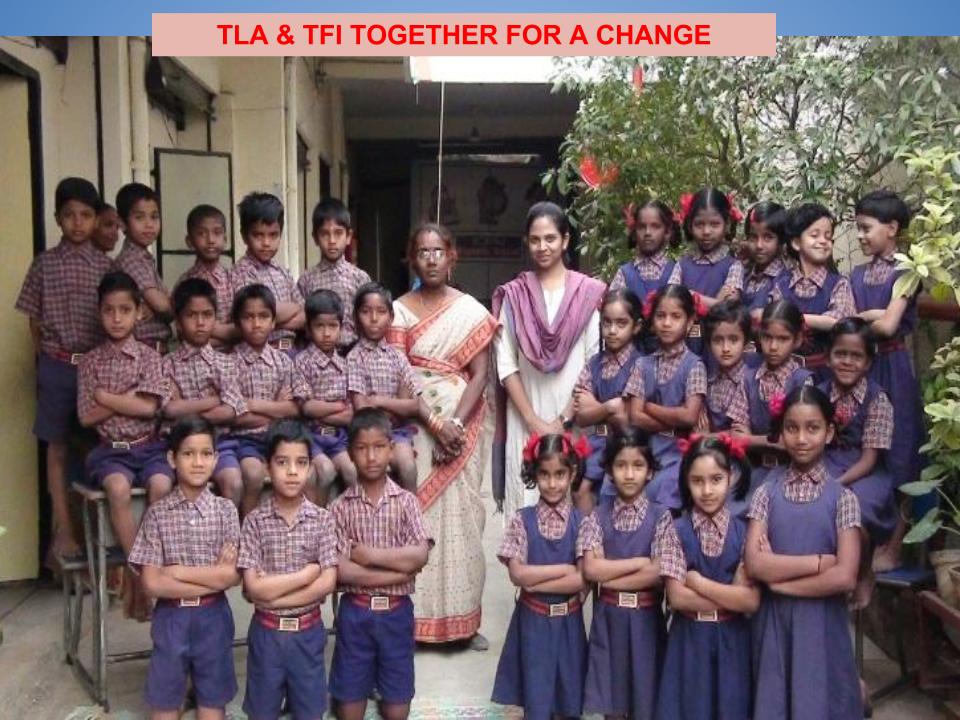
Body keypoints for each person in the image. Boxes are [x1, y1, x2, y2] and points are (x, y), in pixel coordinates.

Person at [389, 223, 498, 647]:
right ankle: (412, 624)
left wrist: (454, 423)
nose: (431, 258)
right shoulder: (397, 310)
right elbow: (401, 376)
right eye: (422, 251)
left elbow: (480, 374)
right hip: (416, 424)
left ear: (452, 258)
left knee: (465, 522)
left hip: (464, 424)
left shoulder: (470, 310)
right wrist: (435, 424)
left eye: (439, 251)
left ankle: (464, 624)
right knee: (419, 522)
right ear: (412, 259)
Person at [745, 385, 863, 719]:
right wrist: (817, 563)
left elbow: (844, 576)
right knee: (775, 701)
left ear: (829, 432)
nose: (801, 438)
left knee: (820, 702)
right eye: (792, 428)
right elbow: (754, 564)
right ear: (781, 433)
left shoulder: (843, 499)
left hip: (822, 627)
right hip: (774, 625)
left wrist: (781, 582)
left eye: (812, 428)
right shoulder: (766, 492)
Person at [15, 176, 113, 561]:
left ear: (95, 220)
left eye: (86, 215)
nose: (77, 223)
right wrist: (46, 362)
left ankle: (101, 543)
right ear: (57, 218)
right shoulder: (44, 265)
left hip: (96, 368)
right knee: (56, 450)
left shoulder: (106, 267)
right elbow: (34, 322)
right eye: (69, 215)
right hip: (57, 366)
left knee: (98, 447)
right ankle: (65, 534)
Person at [492, 201, 605, 517]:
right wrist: (534, 422)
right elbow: (506, 364)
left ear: (566, 240)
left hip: (573, 417)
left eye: (551, 238)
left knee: (573, 510)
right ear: (527, 242)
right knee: (526, 510)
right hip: (525, 417)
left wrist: (562, 420)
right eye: (535, 239)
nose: (543, 247)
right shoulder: (515, 296)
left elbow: (593, 362)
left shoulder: (587, 294)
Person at [128, 416, 241, 720]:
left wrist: (175, 572)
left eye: (206, 454)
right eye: (188, 454)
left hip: (213, 617)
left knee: (212, 701)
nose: (198, 462)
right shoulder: (158, 514)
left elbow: (231, 576)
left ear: (216, 459)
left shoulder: (225, 510)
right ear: (172, 459)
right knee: (165, 704)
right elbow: (152, 584)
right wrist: (212, 578)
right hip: (171, 619)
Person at [78, 270, 173, 619]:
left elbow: (150, 408)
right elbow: (86, 417)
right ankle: (140, 572)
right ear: (99, 312)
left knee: (161, 484)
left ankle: (142, 571)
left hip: (148, 446)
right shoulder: (90, 361)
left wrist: (106, 397)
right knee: (117, 489)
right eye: (108, 310)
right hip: (110, 450)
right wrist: (126, 398)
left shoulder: (150, 357)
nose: (116, 318)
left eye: (124, 310)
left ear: (139, 313)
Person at [328, 408, 432, 720]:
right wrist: (400, 572)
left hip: (396, 616)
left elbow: (419, 556)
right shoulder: (339, 509)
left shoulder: (407, 502)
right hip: (355, 614)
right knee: (349, 703)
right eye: (361, 448)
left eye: (378, 447)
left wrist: (369, 556)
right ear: (350, 453)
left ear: (391, 449)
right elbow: (340, 571)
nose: (371, 456)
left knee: (397, 705)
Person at [238, 419, 339, 720]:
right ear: (268, 468)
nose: (292, 471)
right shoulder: (254, 522)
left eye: (301, 463)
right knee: (263, 710)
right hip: (267, 634)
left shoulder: (323, 520)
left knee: (309, 711)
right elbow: (253, 588)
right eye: (282, 462)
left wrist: (272, 596)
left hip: (308, 632)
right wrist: (306, 575)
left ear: (310, 469)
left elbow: (328, 582)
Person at [656, 434, 759, 720]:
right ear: (687, 483)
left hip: (732, 642)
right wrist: (731, 594)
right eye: (697, 481)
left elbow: (750, 601)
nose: (707, 490)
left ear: (731, 477)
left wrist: (697, 582)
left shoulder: (746, 532)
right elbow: (677, 597)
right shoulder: (675, 530)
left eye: (716, 479)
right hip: (688, 642)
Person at [578, 429, 678, 720]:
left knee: (645, 701)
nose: (630, 474)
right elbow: (591, 569)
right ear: (609, 470)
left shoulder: (662, 516)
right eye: (621, 465)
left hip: (646, 621)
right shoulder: (597, 514)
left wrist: (606, 576)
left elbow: (659, 572)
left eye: (638, 466)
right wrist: (639, 562)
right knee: (612, 703)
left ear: (650, 472)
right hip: (608, 622)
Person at [852, 190, 925, 572]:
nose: (861, 236)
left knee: (902, 454)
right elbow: (850, 321)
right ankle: (867, 543)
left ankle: (894, 547)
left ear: (892, 228)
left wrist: (873, 317)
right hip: (860, 370)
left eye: (866, 228)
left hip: (893, 371)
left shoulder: (908, 271)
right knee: (864, 451)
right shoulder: (856, 274)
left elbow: (889, 325)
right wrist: (874, 315)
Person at [492, 433, 589, 720]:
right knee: (536, 702)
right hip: (532, 623)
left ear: (571, 473)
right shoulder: (522, 520)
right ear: (534, 474)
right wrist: (565, 569)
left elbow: (581, 581)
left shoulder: (583, 523)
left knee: (569, 701)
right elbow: (517, 575)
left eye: (560, 474)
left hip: (569, 624)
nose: (552, 483)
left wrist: (535, 578)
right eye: (544, 474)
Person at [820, 319, 897, 609]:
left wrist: (837, 485)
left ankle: (863, 573)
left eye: (856, 356)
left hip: (863, 472)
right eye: (841, 354)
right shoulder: (820, 393)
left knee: (855, 513)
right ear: (828, 357)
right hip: (824, 463)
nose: (847, 362)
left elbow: (869, 459)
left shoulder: (877, 400)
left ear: (867, 362)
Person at [161, 278, 246, 504]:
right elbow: (169, 410)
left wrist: (186, 410)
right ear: (178, 322)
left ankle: (230, 539)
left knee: (234, 482)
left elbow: (230, 411)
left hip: (219, 443)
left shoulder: (226, 363)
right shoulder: (166, 364)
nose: (200, 322)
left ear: (215, 319)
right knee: (167, 483)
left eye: (207, 315)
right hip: (178, 446)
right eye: (191, 315)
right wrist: (213, 400)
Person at [346, 282, 435, 492]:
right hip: (367, 434)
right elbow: (361, 408)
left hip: (397, 433)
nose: (374, 319)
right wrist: (398, 404)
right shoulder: (354, 358)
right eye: (366, 312)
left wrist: (378, 401)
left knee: (408, 467)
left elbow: (414, 404)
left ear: (391, 317)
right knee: (363, 471)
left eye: (381, 312)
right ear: (356, 318)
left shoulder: (397, 357)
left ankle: (411, 520)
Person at [625, 284, 707, 510]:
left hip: (678, 451)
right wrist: (674, 417)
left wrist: (649, 407)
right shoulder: (642, 364)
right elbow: (634, 417)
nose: (667, 323)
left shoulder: (694, 365)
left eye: (676, 316)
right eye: (661, 316)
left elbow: (689, 417)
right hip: (645, 449)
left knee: (663, 493)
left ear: (690, 322)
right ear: (652, 321)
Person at [226, 284, 299, 516]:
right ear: (237, 323)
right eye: (248, 317)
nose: (256, 324)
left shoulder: (284, 362)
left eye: (263, 316)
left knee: (308, 471)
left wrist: (254, 404)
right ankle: (247, 536)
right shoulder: (228, 363)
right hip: (244, 441)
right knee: (254, 475)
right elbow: (236, 418)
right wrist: (277, 407)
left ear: (274, 321)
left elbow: (295, 409)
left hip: (278, 440)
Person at [769, 202, 856, 381]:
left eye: (828, 236)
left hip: (828, 374)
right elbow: (774, 322)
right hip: (786, 374)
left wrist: (794, 318)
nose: (823, 241)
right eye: (814, 235)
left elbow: (838, 322)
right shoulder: (781, 283)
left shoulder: (839, 284)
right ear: (796, 243)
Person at [572, 289, 642, 507]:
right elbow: (581, 416)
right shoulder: (594, 363)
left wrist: (597, 408)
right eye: (607, 323)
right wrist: (610, 407)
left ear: (636, 326)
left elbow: (626, 418)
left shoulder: (640, 364)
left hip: (625, 443)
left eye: (621, 324)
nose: (612, 330)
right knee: (579, 489)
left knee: (613, 495)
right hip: (595, 442)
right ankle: (588, 539)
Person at [741, 300, 814, 496]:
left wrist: (751, 439)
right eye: (767, 337)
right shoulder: (748, 378)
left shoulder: (802, 382)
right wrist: (768, 440)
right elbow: (736, 436)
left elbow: (793, 441)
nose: (773, 346)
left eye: (782, 339)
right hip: (754, 470)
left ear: (797, 340)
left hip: (791, 472)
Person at [293, 289, 356, 506]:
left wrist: (325, 411)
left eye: (333, 326)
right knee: (327, 472)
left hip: (338, 438)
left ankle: (349, 519)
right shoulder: (302, 362)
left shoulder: (346, 364)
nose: (327, 333)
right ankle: (319, 520)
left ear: (341, 328)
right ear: (309, 329)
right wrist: (338, 406)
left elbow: (350, 416)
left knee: (351, 472)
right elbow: (307, 408)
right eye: (320, 326)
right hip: (311, 436)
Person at [668, 188, 744, 356]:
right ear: (690, 225)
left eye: (714, 224)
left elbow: (729, 308)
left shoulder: (733, 265)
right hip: (683, 344)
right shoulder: (683, 264)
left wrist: (689, 296)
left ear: (727, 225)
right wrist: (716, 302)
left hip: (719, 348)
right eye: (700, 224)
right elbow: (672, 300)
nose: (707, 231)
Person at [229, 192, 305, 351]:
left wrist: (272, 319)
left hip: (290, 352)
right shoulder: (241, 272)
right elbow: (255, 314)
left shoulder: (283, 272)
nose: (266, 243)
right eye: (258, 235)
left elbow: (305, 316)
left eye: (273, 235)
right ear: (244, 236)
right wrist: (294, 308)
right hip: (257, 355)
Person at [297, 198, 372, 348]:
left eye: (338, 233)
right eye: (325, 234)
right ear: (315, 238)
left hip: (352, 355)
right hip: (316, 357)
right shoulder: (307, 280)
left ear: (349, 236)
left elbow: (368, 321)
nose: (332, 240)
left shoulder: (360, 278)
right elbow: (302, 324)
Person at [609, 200, 677, 353]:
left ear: (667, 232)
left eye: (655, 226)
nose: (647, 232)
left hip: (669, 356)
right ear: (634, 232)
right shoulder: (624, 274)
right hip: (629, 356)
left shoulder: (677, 271)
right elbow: (612, 314)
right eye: (641, 227)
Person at [114, 182, 173, 354]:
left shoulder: (144, 259)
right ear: (123, 223)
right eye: (140, 217)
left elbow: (163, 307)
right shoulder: (131, 260)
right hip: (143, 349)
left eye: (154, 217)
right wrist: (180, 305)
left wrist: (160, 309)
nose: (149, 224)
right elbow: (162, 306)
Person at [175, 204, 235, 348]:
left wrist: (214, 332)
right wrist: (228, 336)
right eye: (202, 233)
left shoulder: (234, 278)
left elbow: (244, 328)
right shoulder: (185, 282)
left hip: (233, 360)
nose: (210, 240)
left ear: (225, 239)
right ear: (189, 241)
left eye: (217, 233)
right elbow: (183, 333)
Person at [703, 300, 752, 435]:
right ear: (709, 344)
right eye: (718, 340)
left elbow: (738, 435)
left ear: (746, 343)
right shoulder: (709, 380)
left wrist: (705, 437)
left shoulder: (750, 382)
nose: (725, 348)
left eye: (733, 340)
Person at [742, 201, 789, 314]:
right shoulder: (742, 273)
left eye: (768, 237)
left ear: (781, 240)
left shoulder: (786, 280)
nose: (759, 245)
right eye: (753, 237)